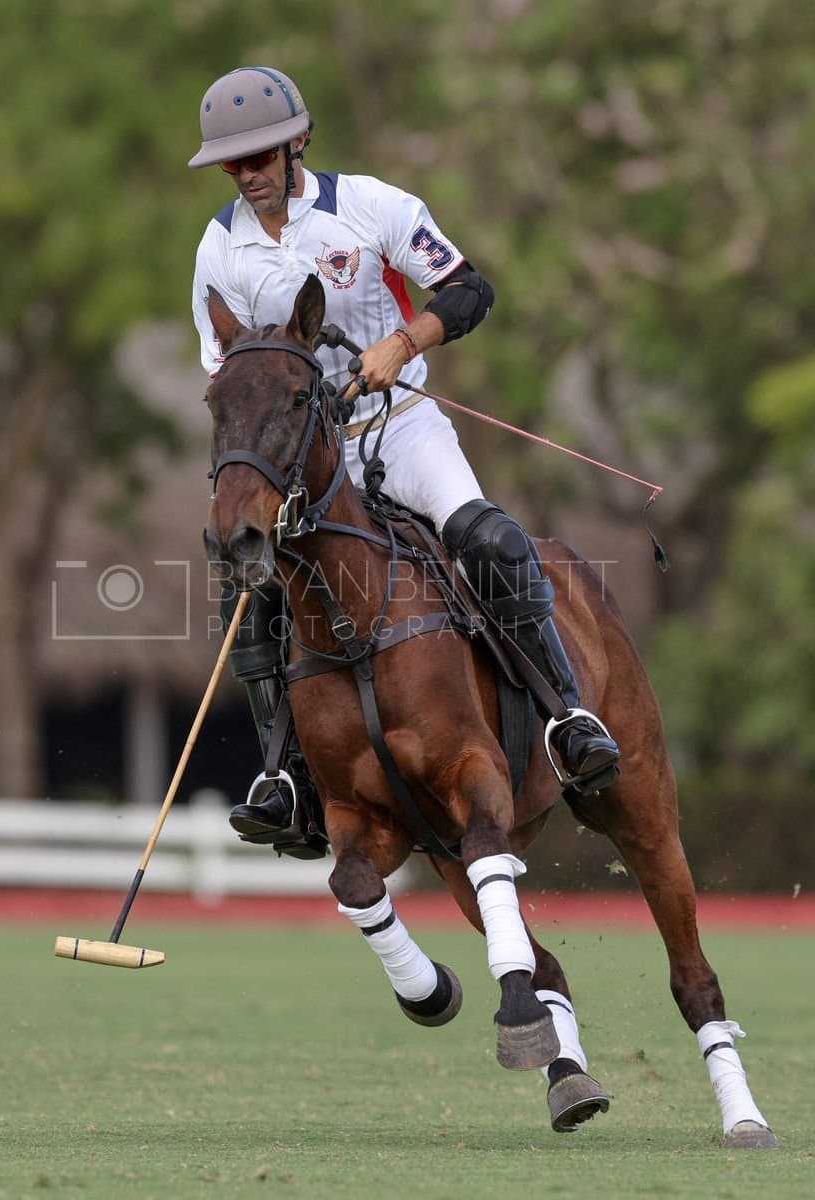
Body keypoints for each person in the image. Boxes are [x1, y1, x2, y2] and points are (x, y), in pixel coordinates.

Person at [189, 67, 619, 853]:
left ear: (297, 144)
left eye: (260, 156)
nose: (248, 174)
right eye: (233, 163)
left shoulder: (370, 205)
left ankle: (569, 718)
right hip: (304, 461)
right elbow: (228, 376)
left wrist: (404, 341)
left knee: (487, 539)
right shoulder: (219, 247)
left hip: (401, 426)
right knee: (245, 589)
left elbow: (468, 289)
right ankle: (283, 777)